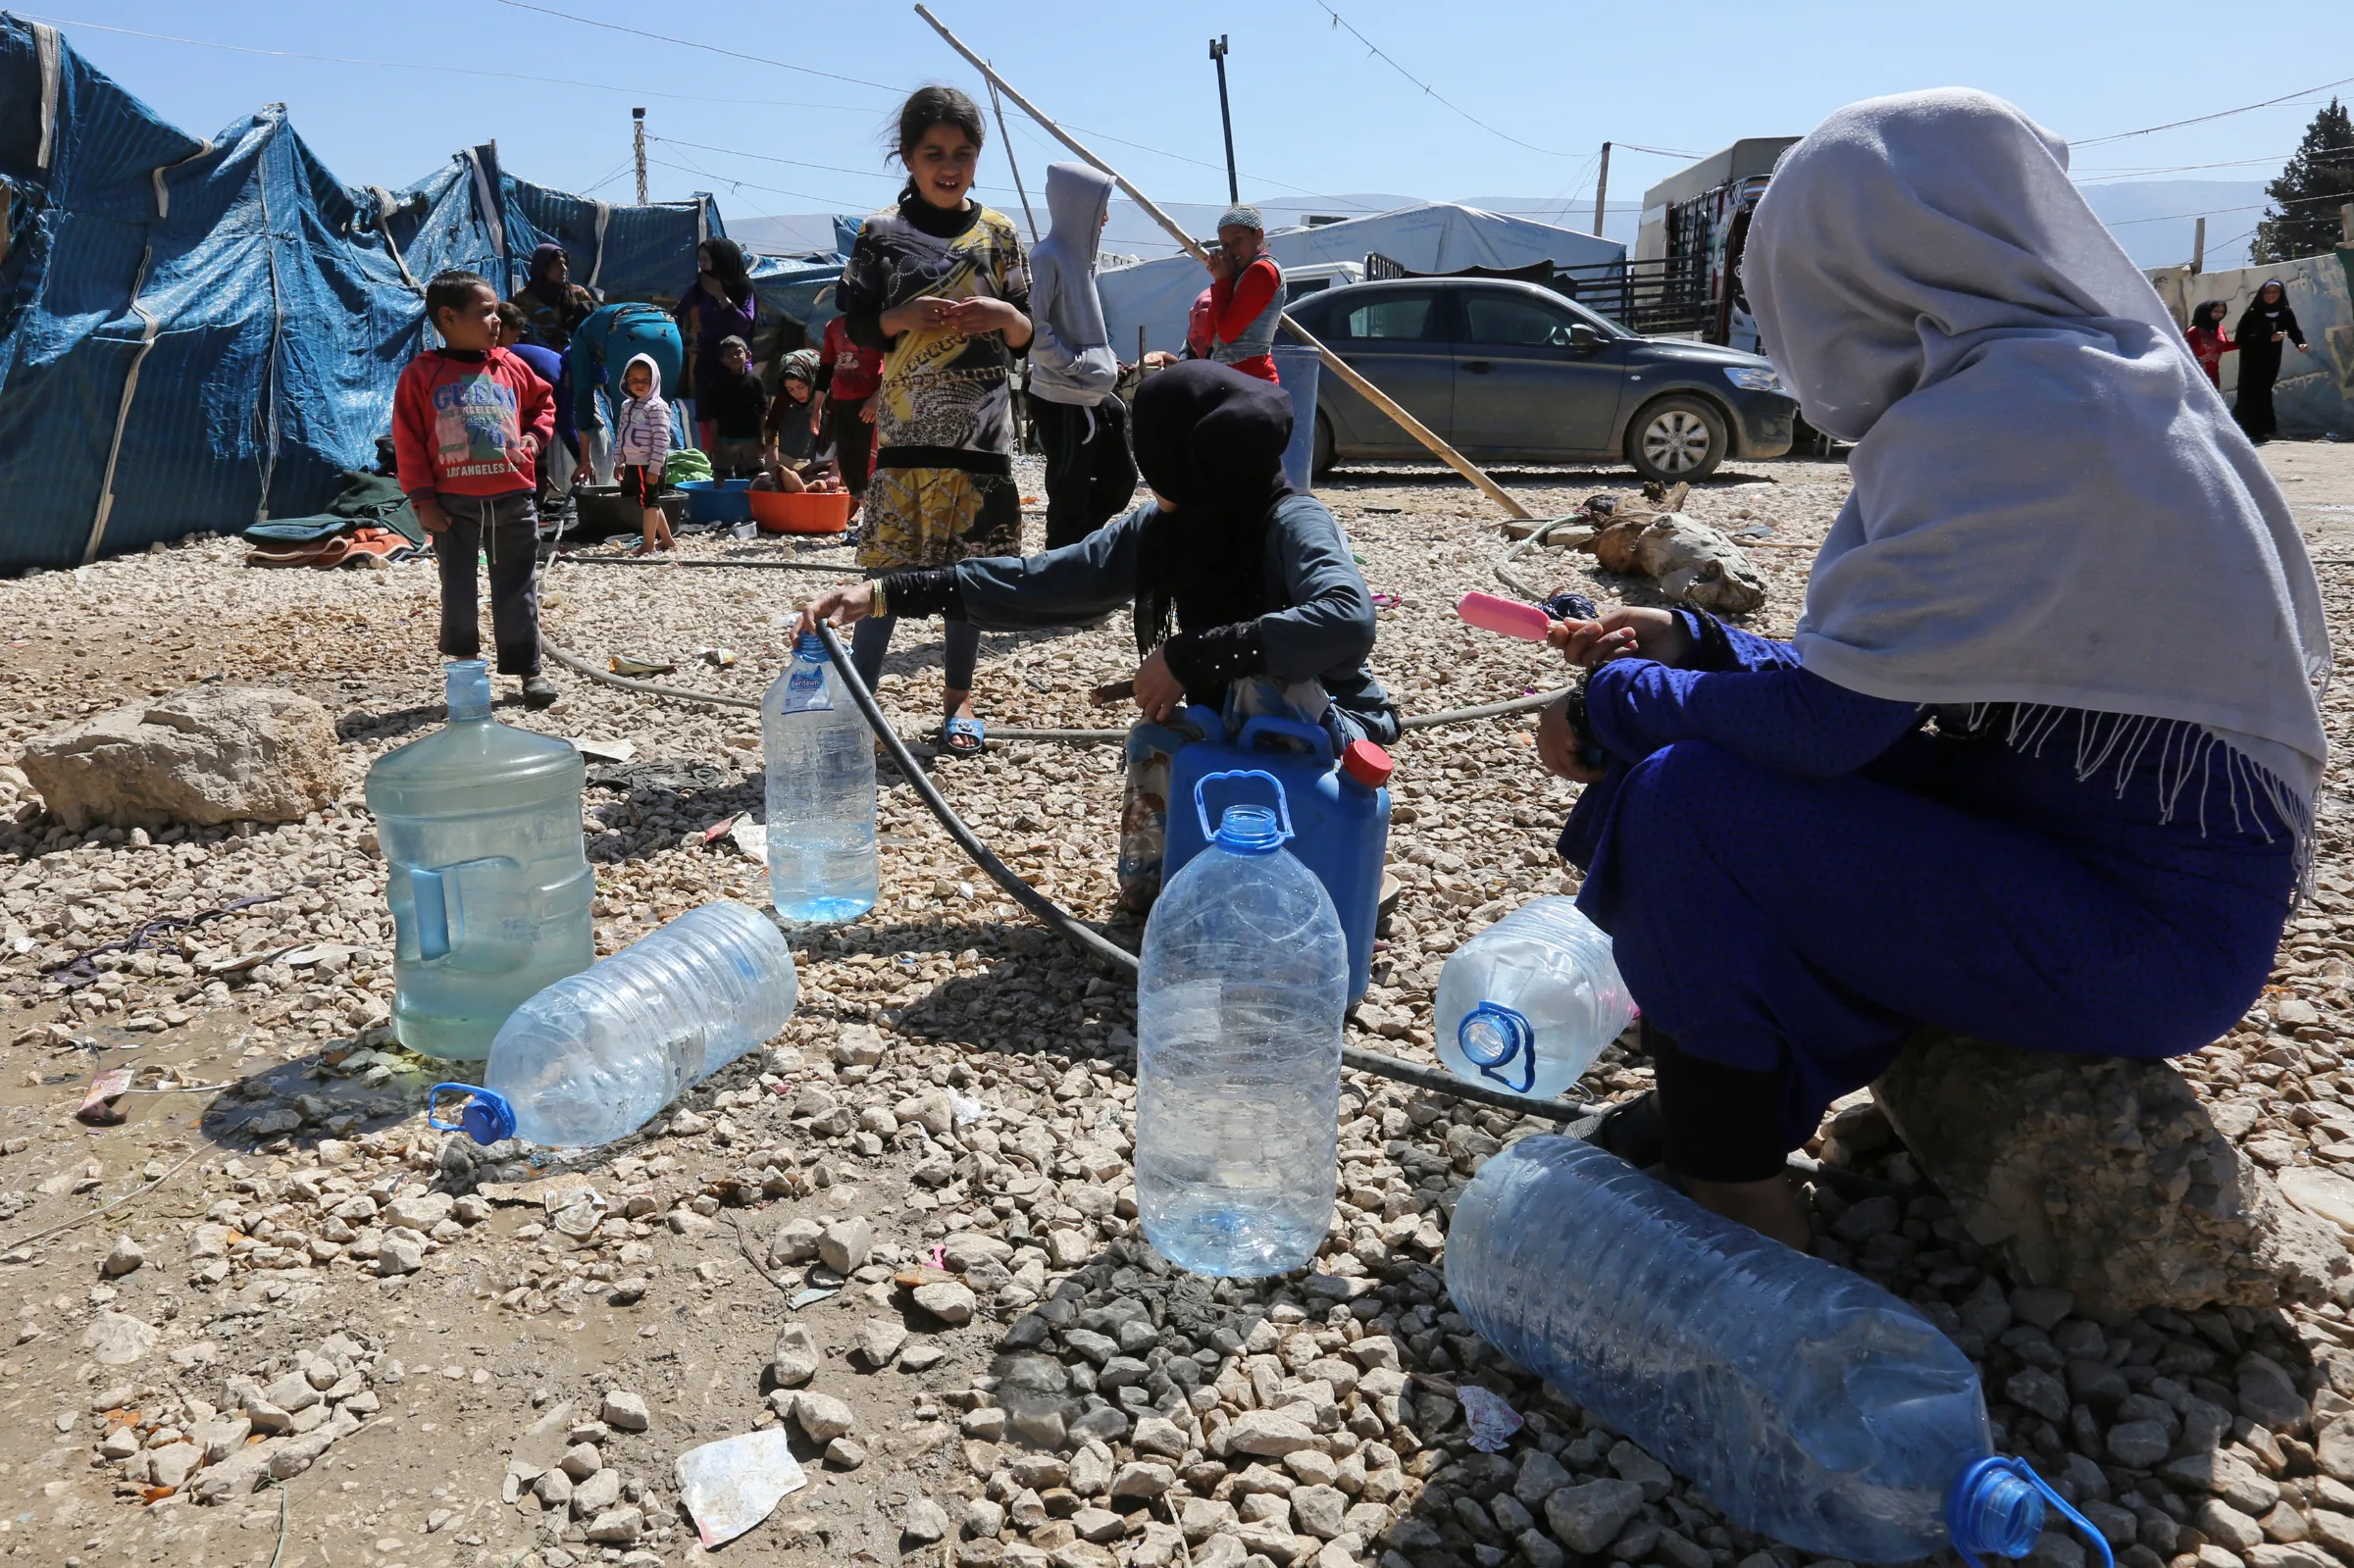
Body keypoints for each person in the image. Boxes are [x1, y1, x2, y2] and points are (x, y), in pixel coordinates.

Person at [1528, 89, 2326, 1251]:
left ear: (1853, 270)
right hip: (2090, 856)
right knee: (1722, 773)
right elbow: (1896, 692)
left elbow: (1826, 731)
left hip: (2139, 931)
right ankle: (1747, 1090)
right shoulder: (2085, 379)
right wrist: (1695, 644)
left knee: (1682, 805)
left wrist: (1615, 702)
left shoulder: (2012, 418)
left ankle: (1737, 1185)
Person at [799, 360, 1391, 910]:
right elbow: (1048, 582)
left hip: (1328, 727)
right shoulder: (1168, 528)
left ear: (1191, 458)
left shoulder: (1291, 519)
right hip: (1234, 715)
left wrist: (1187, 656)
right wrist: (886, 593)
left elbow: (1346, 617)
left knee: (1262, 684)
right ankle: (1160, 899)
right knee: (1155, 742)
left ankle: (1318, 863)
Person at [834, 85, 1033, 756]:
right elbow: (857, 321)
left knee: (967, 575)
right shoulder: (880, 233)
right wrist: (899, 318)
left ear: (978, 158)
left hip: (981, 439)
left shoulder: (1000, 235)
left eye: (963, 153)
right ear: (908, 158)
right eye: (933, 153)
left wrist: (1003, 318)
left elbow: (1030, 331)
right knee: (886, 570)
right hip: (906, 438)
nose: (949, 166)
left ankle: (959, 699)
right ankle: (860, 703)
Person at [394, 270, 560, 707]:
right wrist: (422, 499)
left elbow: (543, 404)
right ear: (448, 317)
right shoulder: (423, 374)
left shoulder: (510, 365)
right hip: (453, 505)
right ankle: (466, 674)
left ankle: (529, 671)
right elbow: (408, 440)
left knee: (517, 586)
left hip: (513, 499)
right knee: (459, 589)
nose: (496, 321)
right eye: (485, 312)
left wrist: (533, 438)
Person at [1027, 162, 1140, 549]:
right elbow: (1033, 329)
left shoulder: (1083, 260)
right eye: (1099, 207)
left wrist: (1109, 364)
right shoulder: (1047, 257)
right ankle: (1060, 579)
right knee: (1068, 495)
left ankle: (1077, 555)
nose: (1105, 217)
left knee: (1120, 482)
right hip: (1062, 399)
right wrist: (1077, 365)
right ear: (1077, 205)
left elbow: (1084, 329)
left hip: (1091, 398)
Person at [568, 301, 683, 488]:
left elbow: (583, 395)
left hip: (628, 334)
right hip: (670, 332)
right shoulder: (603, 317)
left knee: (629, 418)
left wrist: (584, 459)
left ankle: (634, 495)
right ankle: (657, 488)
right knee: (659, 415)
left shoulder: (581, 334)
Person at [492, 302, 579, 523]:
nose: (517, 339)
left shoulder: (517, 356)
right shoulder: (501, 359)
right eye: (515, 333)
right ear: (502, 329)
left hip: (519, 417)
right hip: (506, 420)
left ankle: (533, 501)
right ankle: (527, 506)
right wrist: (582, 460)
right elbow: (566, 424)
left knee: (535, 448)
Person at [674, 236, 758, 450]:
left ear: (721, 259)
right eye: (699, 260)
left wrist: (720, 296)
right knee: (706, 414)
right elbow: (676, 313)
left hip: (734, 364)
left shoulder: (744, 288)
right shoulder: (699, 288)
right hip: (708, 362)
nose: (701, 265)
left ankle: (739, 470)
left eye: (705, 259)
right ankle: (712, 465)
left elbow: (743, 325)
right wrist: (685, 339)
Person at [1202, 205, 1284, 383]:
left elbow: (1226, 333)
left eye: (1238, 240)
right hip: (1234, 380)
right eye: (1225, 245)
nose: (1231, 250)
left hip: (1252, 380)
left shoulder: (1262, 271)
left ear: (1258, 235)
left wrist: (1223, 281)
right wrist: (1222, 281)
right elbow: (1210, 337)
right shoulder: (1239, 274)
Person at [813, 312, 884, 505]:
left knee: (867, 461)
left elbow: (894, 364)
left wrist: (877, 397)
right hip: (842, 400)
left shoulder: (881, 322)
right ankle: (867, 513)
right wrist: (816, 408)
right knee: (847, 459)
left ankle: (875, 518)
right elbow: (826, 367)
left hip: (869, 402)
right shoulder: (833, 325)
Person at [611, 353, 676, 556]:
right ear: (626, 381)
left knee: (650, 501)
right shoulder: (626, 406)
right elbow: (621, 433)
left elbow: (662, 439)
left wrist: (655, 467)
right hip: (633, 462)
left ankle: (648, 543)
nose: (639, 384)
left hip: (648, 463)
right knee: (648, 500)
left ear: (654, 380)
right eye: (634, 380)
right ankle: (667, 540)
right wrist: (619, 460)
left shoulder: (657, 407)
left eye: (645, 380)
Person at [2232, 278, 2311, 443]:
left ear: (2280, 294)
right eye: (2268, 292)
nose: (2271, 296)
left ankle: (2261, 430)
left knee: (2264, 391)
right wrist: (2268, 338)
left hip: (2271, 358)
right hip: (2251, 358)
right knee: (2249, 391)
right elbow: (2241, 339)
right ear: (2262, 293)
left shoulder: (2285, 312)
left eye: (2275, 292)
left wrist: (2300, 343)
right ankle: (2242, 428)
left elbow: (2294, 330)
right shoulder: (2253, 313)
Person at [702, 334, 769, 478]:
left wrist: (761, 436)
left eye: (738, 352)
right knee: (721, 476)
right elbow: (714, 414)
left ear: (748, 354)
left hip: (750, 438)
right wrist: (715, 440)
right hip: (725, 439)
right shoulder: (718, 384)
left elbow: (763, 411)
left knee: (754, 475)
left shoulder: (755, 382)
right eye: (729, 355)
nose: (734, 357)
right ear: (722, 360)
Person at [514, 242, 597, 352]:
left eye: (565, 264)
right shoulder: (524, 297)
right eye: (557, 264)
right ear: (543, 267)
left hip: (572, 356)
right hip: (536, 357)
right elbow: (514, 330)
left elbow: (593, 326)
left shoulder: (578, 294)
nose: (564, 269)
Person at [764, 347, 823, 467]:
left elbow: (845, 433)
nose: (796, 393)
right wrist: (772, 457)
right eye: (790, 389)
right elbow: (772, 425)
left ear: (811, 379)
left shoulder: (833, 392)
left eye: (801, 387)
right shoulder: (785, 395)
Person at [2185, 299, 2235, 387]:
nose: (2219, 314)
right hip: (2197, 376)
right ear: (2207, 311)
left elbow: (2224, 346)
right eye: (2215, 310)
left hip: (2213, 376)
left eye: (2222, 311)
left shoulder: (2220, 329)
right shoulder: (2194, 331)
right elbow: (2186, 355)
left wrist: (2246, 343)